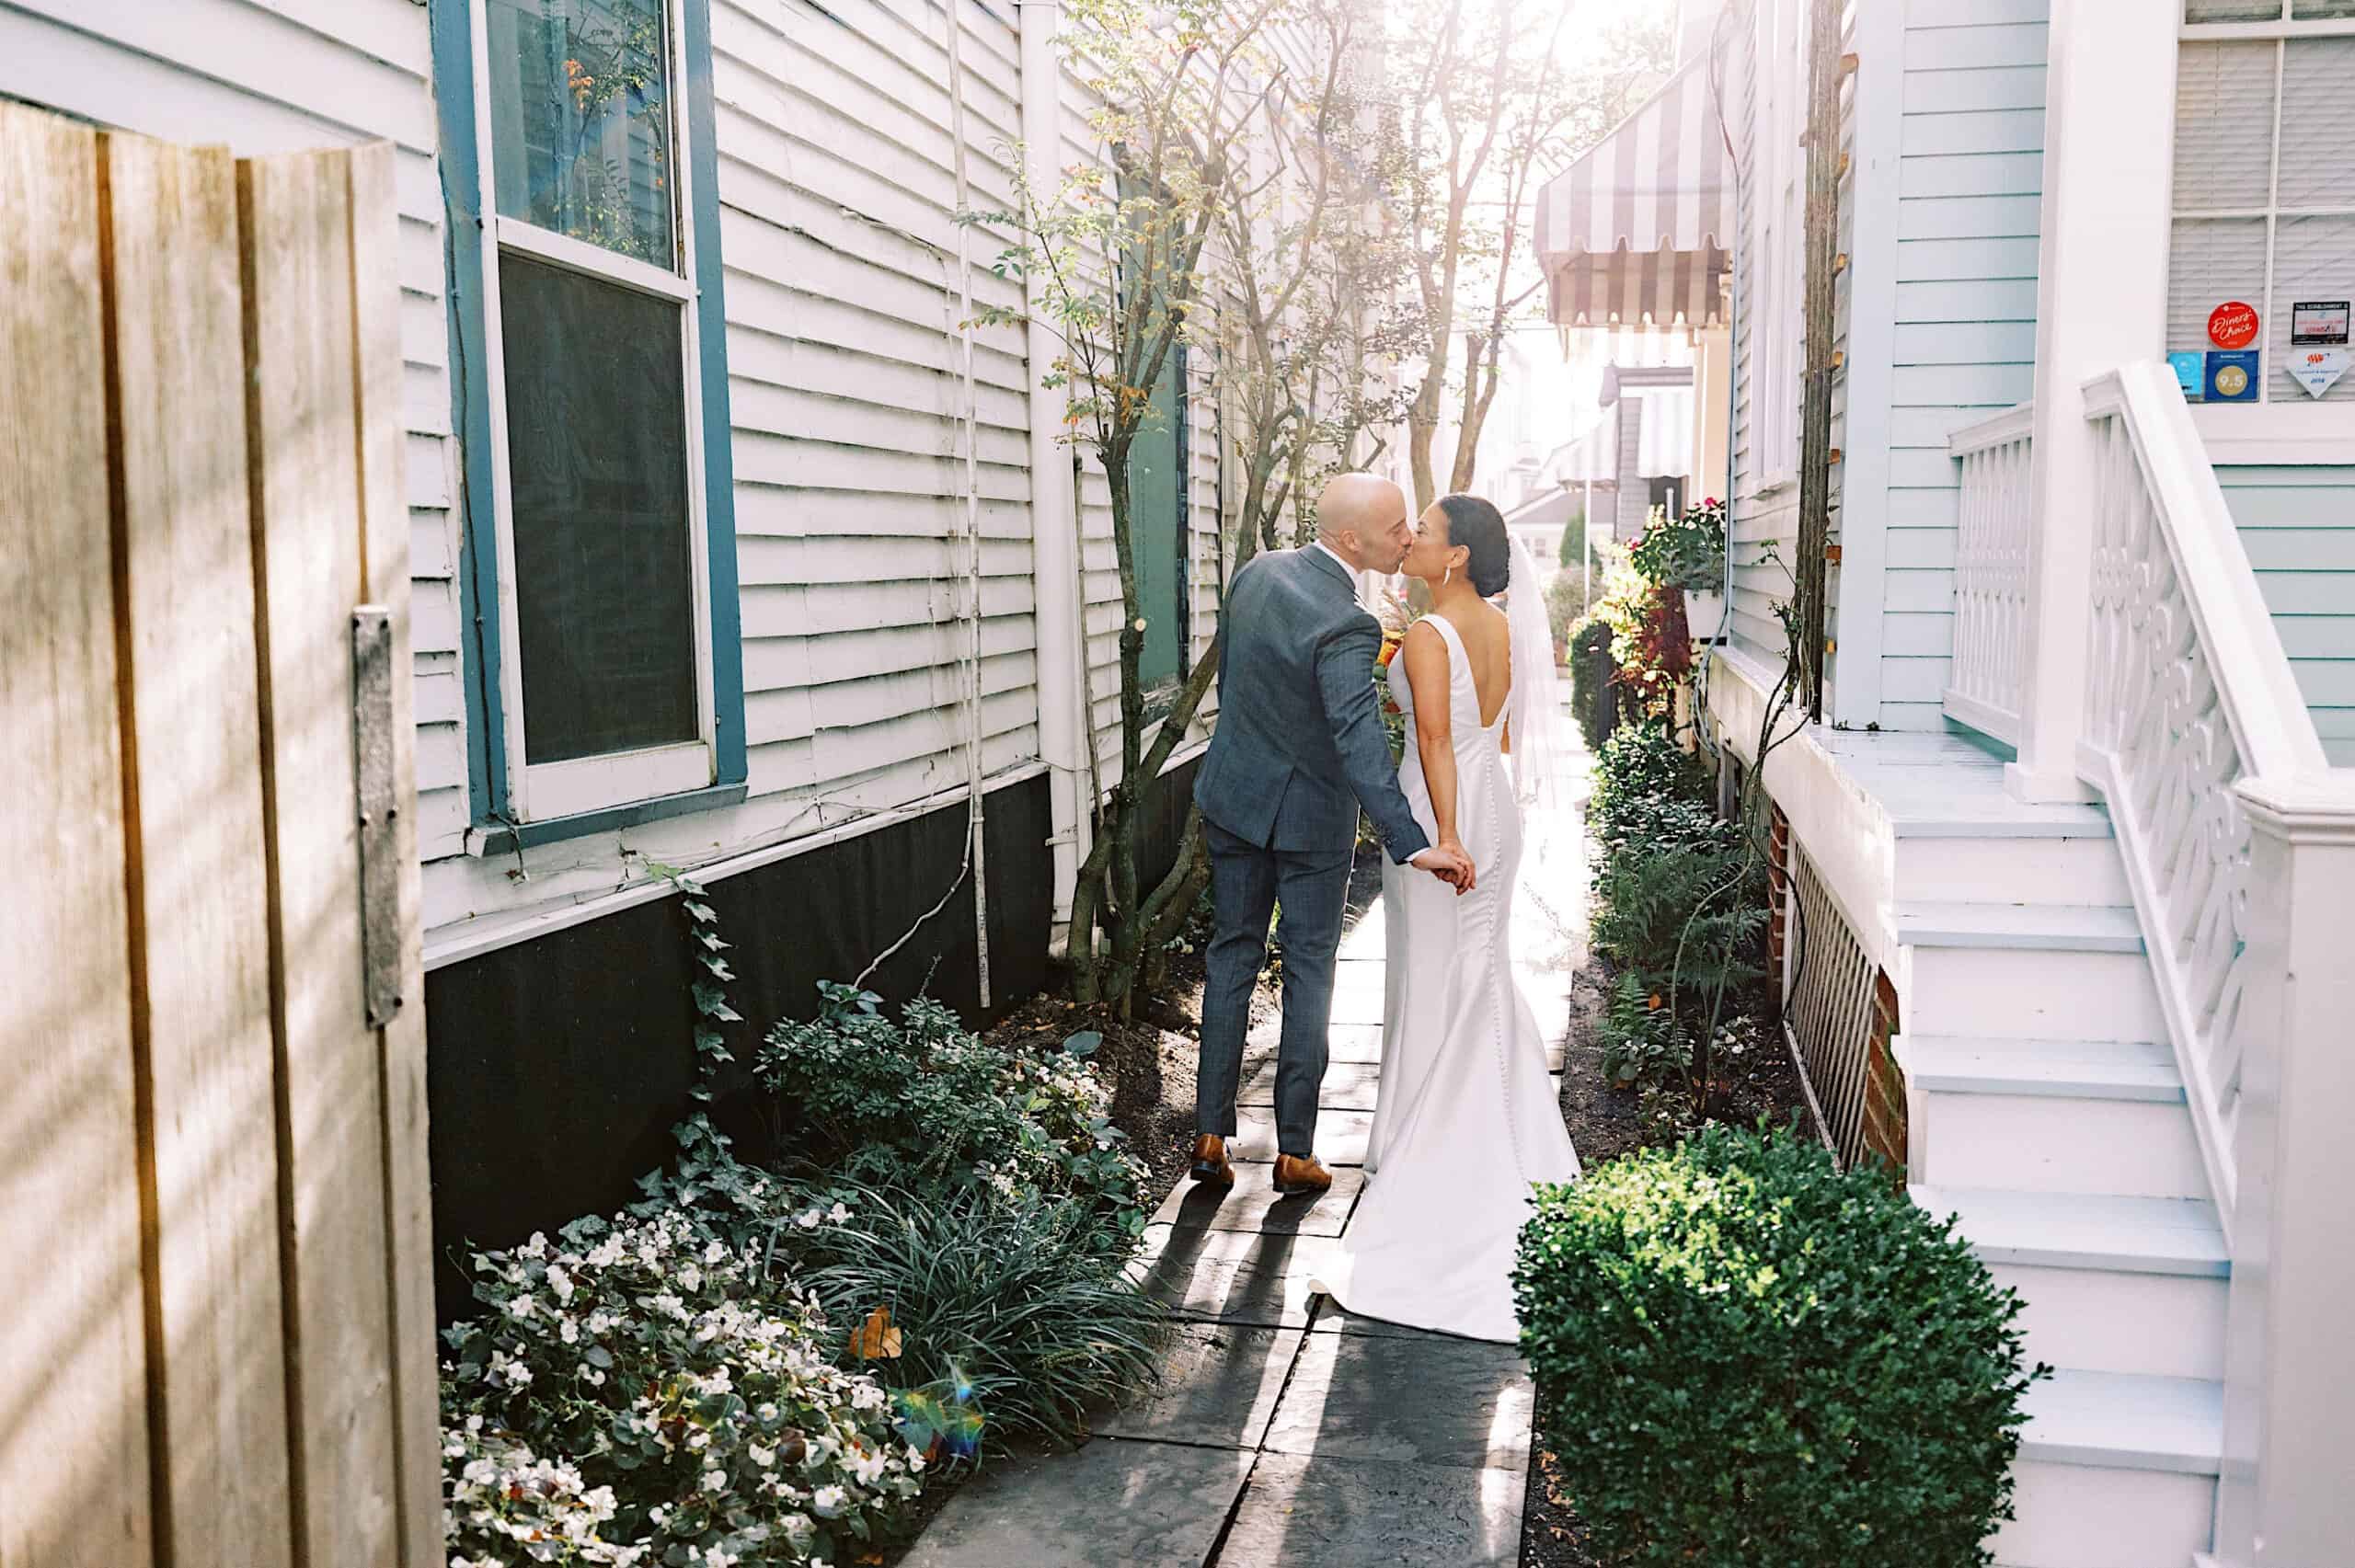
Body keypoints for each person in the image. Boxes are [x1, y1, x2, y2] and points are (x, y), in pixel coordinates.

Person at [1308, 492, 1583, 1342]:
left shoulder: (1432, 637)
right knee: (1478, 970)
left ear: (1456, 555)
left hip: (1445, 814)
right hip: (1494, 804)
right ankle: (1479, 1125)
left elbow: (1432, 740)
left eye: (1423, 532)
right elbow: (1482, 731)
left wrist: (1446, 834)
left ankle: (1433, 1148)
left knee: (1432, 973)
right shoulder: (1498, 627)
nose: (1412, 541)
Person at [1189, 474, 1475, 1197]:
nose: (1408, 537)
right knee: (1310, 974)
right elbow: (1358, 741)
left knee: (1231, 960)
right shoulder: (1348, 622)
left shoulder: (1255, 575)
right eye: (1395, 529)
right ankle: (1295, 1152)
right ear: (1352, 541)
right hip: (1310, 824)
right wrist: (1412, 841)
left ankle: (1210, 1136)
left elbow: (1248, 681)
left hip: (1233, 798)